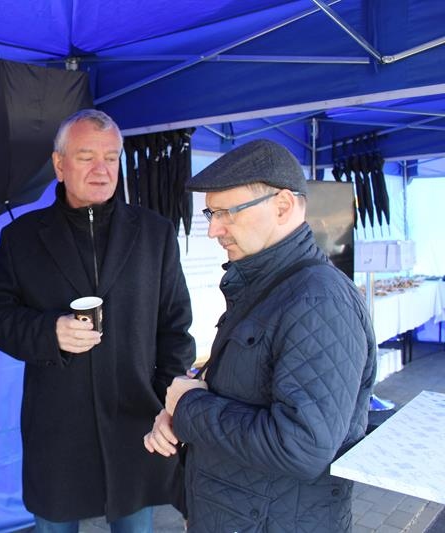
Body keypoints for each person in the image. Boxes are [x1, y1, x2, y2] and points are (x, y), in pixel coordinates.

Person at [144, 139, 377, 532]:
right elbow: (250, 387)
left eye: (226, 213)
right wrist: (183, 410)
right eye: (211, 213)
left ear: (282, 206)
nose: (213, 229)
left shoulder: (317, 300)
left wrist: (189, 408)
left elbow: (301, 445)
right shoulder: (266, 285)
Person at [0, 109, 195, 532]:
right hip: (57, 427)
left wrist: (164, 400)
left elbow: (175, 327)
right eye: (86, 157)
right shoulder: (21, 237)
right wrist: (48, 332)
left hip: (136, 421)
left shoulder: (155, 233)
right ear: (59, 165)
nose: (102, 169)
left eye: (111, 158)